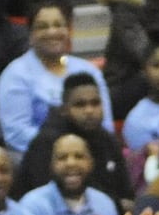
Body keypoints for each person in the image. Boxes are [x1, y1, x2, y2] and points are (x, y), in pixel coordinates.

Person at [0, 0, 110, 157]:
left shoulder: (89, 71)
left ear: (68, 30)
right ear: (31, 33)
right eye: (42, 26)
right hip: (39, 156)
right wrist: (67, 148)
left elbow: (105, 124)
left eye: (59, 25)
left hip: (90, 153)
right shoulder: (15, 75)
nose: (52, 32)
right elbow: (16, 134)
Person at [12, 73, 132, 205]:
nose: (89, 111)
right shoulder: (47, 143)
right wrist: (117, 205)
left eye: (95, 103)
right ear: (64, 109)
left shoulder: (108, 140)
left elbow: (127, 192)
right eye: (80, 105)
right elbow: (52, 197)